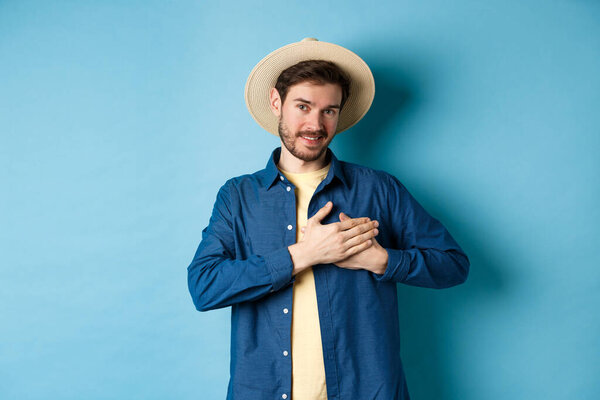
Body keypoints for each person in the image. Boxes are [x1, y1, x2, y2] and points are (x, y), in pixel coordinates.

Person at [187, 38, 470, 400]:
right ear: (277, 102)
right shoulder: (239, 196)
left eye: (329, 111)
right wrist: (303, 255)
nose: (315, 124)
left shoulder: (379, 189)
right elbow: (204, 287)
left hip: (366, 390)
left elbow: (453, 265)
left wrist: (381, 260)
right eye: (303, 106)